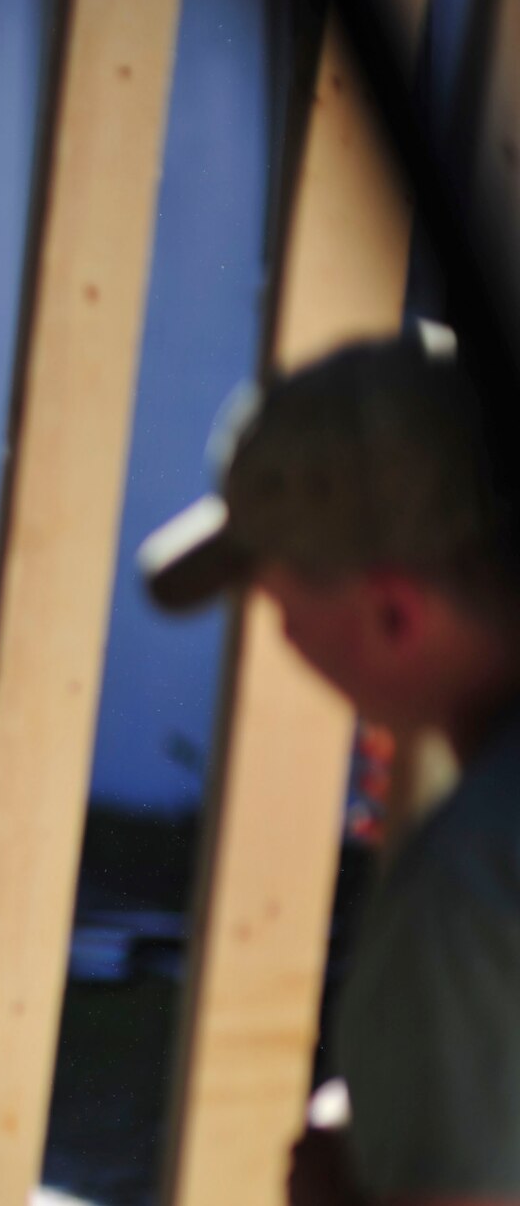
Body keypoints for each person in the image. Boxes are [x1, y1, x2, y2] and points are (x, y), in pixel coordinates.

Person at [139, 331, 520, 1206]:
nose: (284, 643)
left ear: (394, 616)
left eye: (280, 609)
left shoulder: (468, 886)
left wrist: (335, 1186)